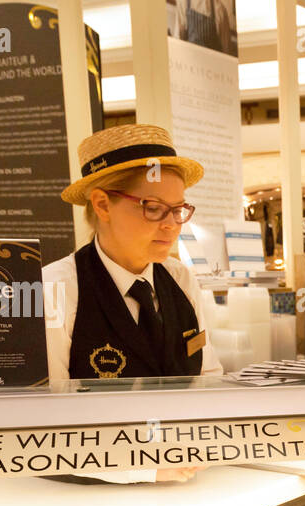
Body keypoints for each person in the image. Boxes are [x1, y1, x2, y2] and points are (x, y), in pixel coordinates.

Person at [44, 124, 223, 481]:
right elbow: (45, 418)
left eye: (179, 210)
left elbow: (207, 375)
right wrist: (142, 468)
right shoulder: (55, 287)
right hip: (84, 497)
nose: (173, 225)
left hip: (189, 486)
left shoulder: (182, 280)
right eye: (154, 208)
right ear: (101, 204)